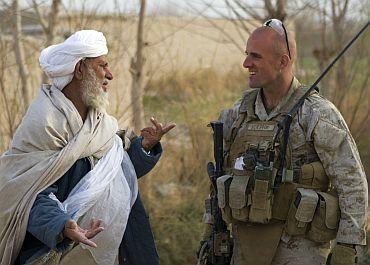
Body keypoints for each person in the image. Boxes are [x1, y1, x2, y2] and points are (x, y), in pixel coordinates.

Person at [0, 30, 175, 265]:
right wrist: (62, 226)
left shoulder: (99, 120)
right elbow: (27, 195)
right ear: (80, 69)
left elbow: (113, 175)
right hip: (58, 251)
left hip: (112, 248)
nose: (110, 75)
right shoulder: (44, 123)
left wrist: (143, 148)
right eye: (102, 66)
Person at [201, 19, 368, 265]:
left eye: (255, 56)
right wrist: (209, 232)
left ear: (282, 62)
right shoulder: (238, 114)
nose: (246, 63)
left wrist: (348, 247)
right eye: (247, 55)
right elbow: (218, 179)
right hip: (244, 246)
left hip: (299, 247)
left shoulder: (316, 113)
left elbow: (352, 182)